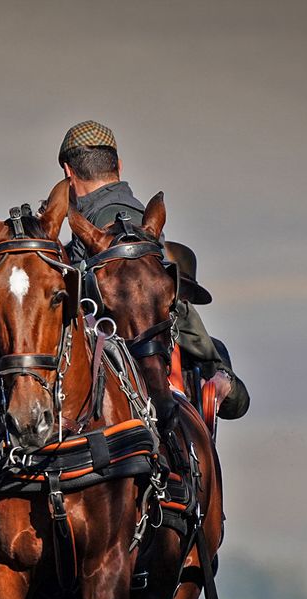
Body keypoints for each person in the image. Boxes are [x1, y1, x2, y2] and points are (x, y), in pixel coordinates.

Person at [57, 120, 249, 420]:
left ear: (68, 172)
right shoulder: (126, 212)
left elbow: (144, 303)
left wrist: (216, 365)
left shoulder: (109, 218)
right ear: (118, 165)